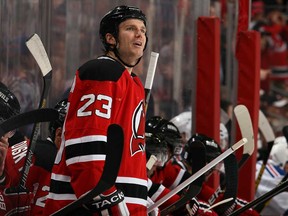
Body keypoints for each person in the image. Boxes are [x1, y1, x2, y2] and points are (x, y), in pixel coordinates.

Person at [44, 5, 149, 215]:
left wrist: (142, 202)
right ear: (111, 39)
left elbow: (131, 156)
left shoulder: (134, 83)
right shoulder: (102, 71)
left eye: (143, 30)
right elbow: (86, 147)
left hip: (123, 203)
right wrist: (104, 199)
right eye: (130, 28)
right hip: (85, 206)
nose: (140, 34)